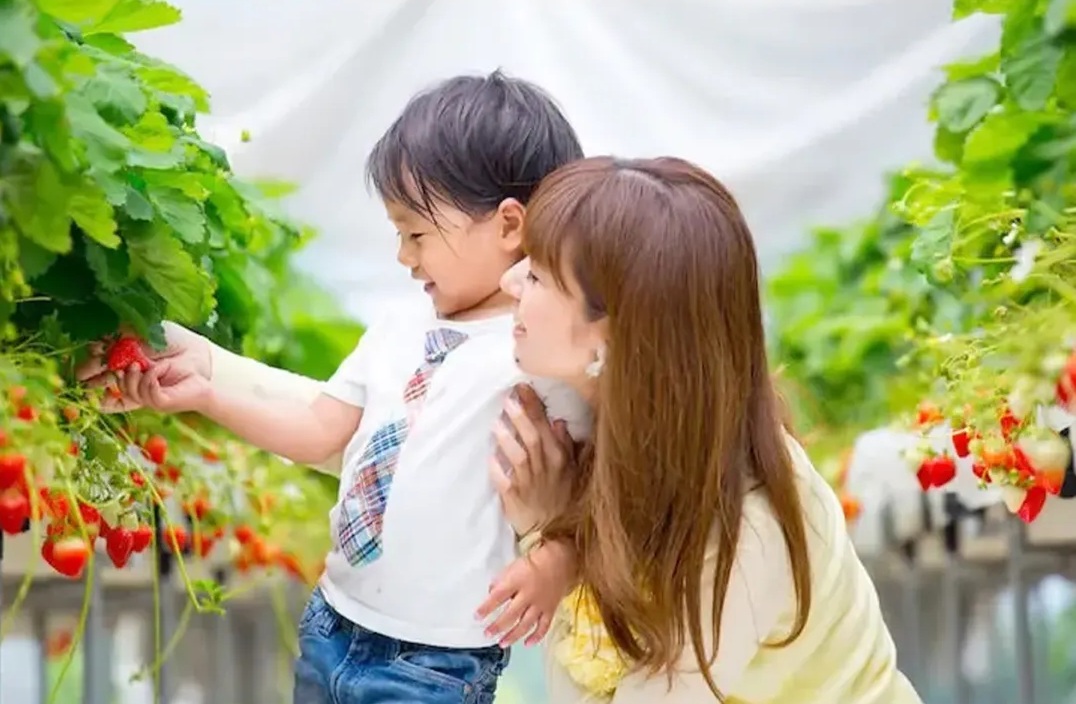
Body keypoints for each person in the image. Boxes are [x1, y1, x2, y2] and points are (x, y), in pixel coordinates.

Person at [78, 71, 588, 704]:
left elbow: (591, 490)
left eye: (416, 233)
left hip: (434, 663)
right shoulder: (397, 327)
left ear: (509, 225)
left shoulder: (536, 351)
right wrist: (207, 391)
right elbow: (321, 430)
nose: (404, 256)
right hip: (331, 622)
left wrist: (556, 560)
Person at [476, 156, 923, 703]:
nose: (510, 280)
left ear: (615, 334)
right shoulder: (618, 429)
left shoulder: (748, 532)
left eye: (540, 275)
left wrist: (547, 535)